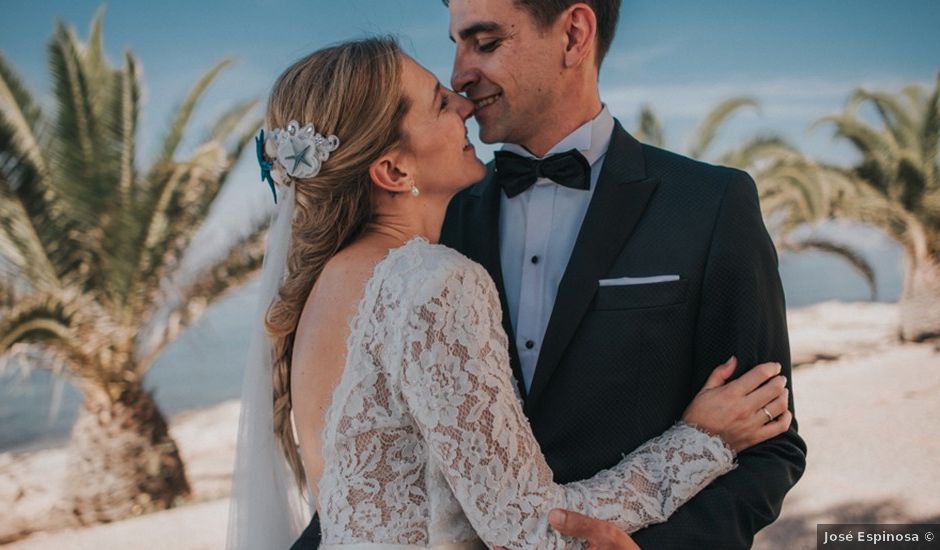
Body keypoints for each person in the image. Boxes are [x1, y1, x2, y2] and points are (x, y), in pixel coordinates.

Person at [226, 37, 794, 550]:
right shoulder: (433, 280)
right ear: (393, 171)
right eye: (439, 103)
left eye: (484, 41)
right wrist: (700, 441)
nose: (464, 100)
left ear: (574, 34)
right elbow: (530, 529)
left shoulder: (322, 284)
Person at [439, 0, 807, 548]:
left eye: (485, 43)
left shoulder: (710, 203)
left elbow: (771, 443)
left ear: (574, 36)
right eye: (457, 46)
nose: (459, 76)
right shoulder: (443, 220)